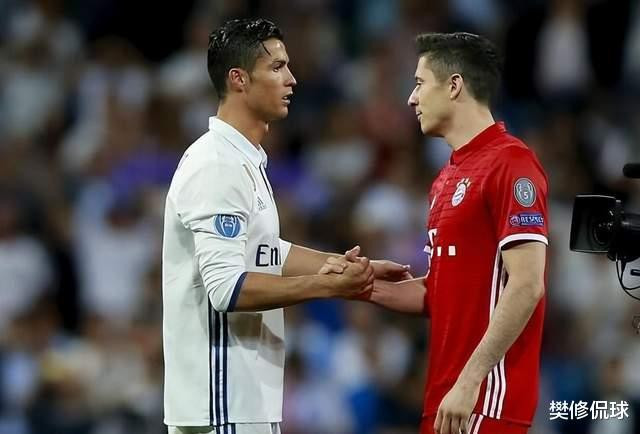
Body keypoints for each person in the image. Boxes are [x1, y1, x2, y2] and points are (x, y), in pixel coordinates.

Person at [161, 18, 410, 434]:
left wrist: (344, 267)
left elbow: (264, 250)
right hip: (221, 400)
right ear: (239, 79)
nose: (292, 79)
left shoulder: (244, 160)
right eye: (277, 67)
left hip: (242, 399)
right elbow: (226, 289)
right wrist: (327, 287)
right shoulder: (217, 165)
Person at [323, 32, 548, 434]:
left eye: (419, 83)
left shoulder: (511, 163)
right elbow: (439, 292)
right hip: (445, 398)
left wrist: (470, 381)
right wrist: (358, 284)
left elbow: (527, 284)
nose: (412, 98)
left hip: (484, 399)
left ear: (454, 85)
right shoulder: (446, 178)